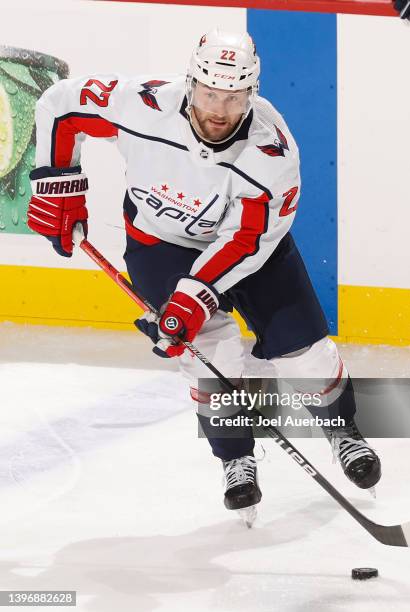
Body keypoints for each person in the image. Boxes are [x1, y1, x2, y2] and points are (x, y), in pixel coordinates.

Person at [27, 29, 381, 522]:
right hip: (159, 243)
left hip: (250, 249)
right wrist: (58, 184)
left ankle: (340, 428)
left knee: (304, 354)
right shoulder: (141, 104)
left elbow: (247, 240)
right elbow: (61, 106)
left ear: (251, 94)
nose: (219, 109)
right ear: (191, 81)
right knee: (209, 355)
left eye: (234, 98)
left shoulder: (272, 153)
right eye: (211, 92)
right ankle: (236, 459)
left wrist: (195, 296)